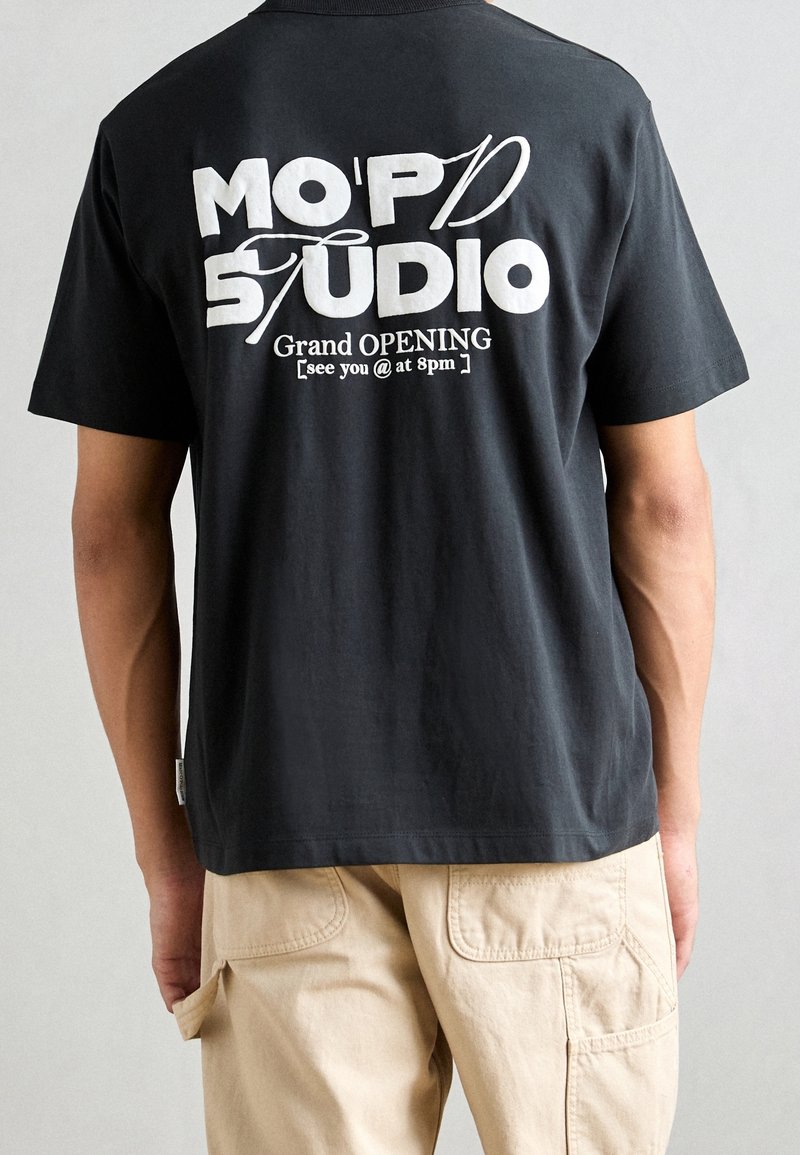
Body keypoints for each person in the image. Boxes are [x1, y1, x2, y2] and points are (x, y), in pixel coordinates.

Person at [27, 1, 749, 1151]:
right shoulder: (585, 111)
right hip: (555, 802)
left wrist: (164, 852)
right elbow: (664, 500)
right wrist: (673, 813)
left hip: (281, 815)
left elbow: (112, 529)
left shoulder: (163, 128)